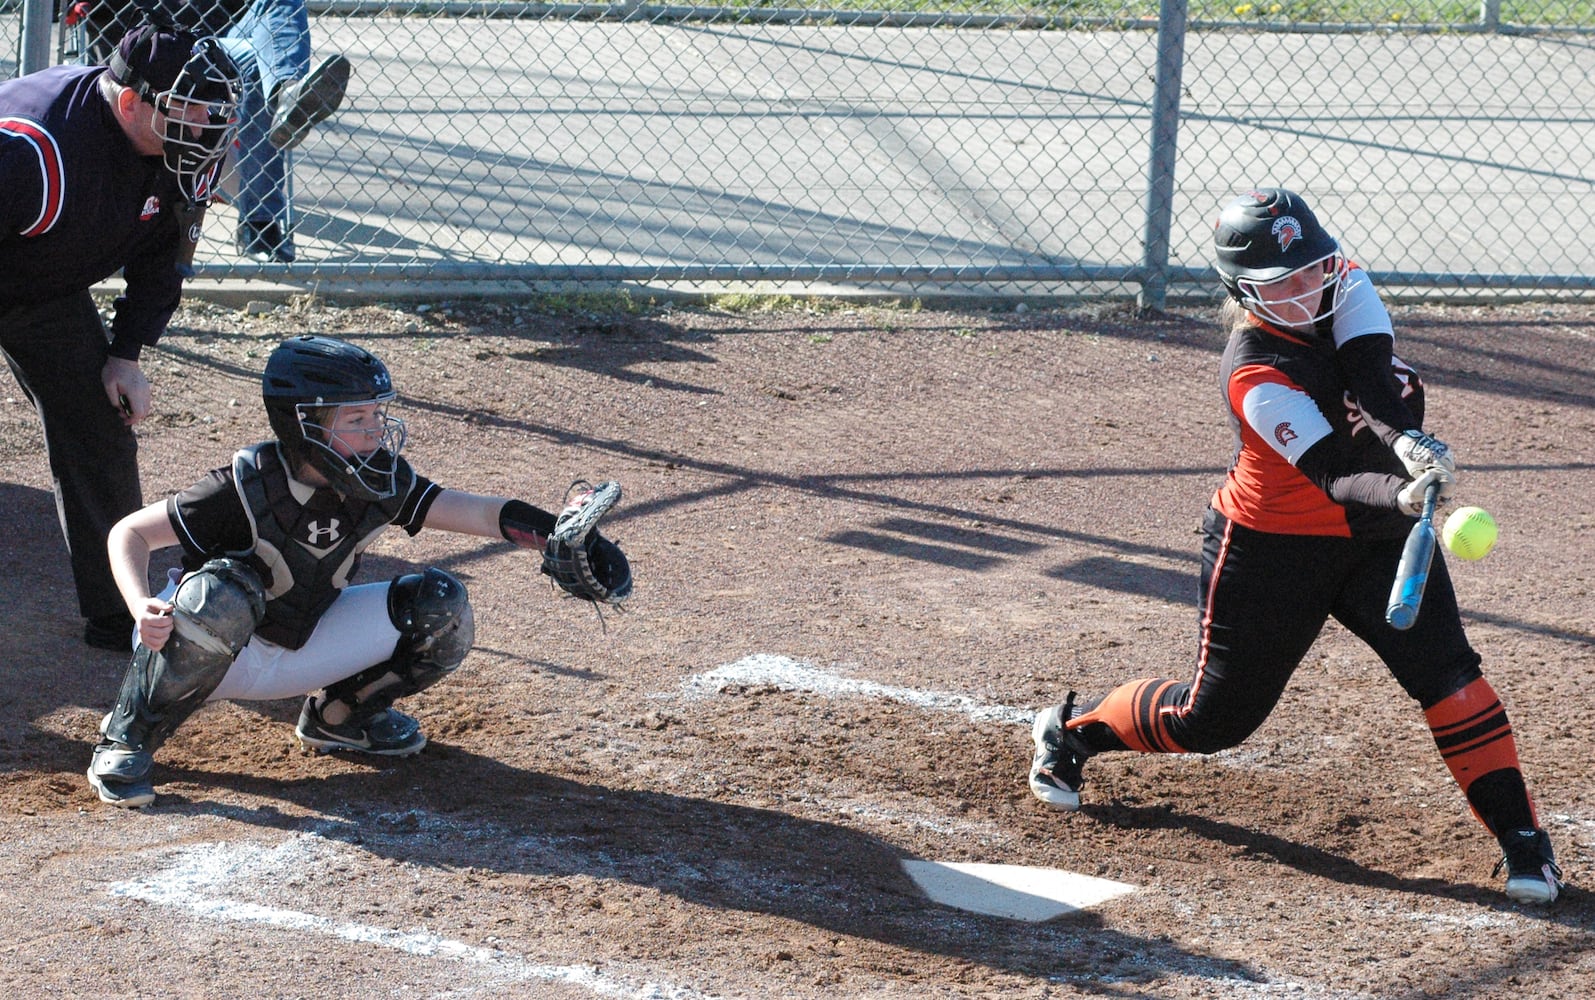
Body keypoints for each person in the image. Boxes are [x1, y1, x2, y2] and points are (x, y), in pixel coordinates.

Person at [1027, 188, 1565, 906]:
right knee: (1212, 721)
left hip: (1376, 542)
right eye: (1282, 284)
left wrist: (1406, 440)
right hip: (1272, 548)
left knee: (1449, 677)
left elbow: (1373, 373)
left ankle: (1523, 841)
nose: (1307, 289)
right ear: (1242, 292)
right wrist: (1404, 494)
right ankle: (1073, 732)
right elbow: (1334, 474)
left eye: (1312, 268)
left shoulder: (1343, 283)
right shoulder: (1253, 372)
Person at [85, 335, 631, 808]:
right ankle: (126, 738)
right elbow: (128, 534)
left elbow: (477, 511)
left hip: (305, 642)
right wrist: (140, 606)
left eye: (376, 414)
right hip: (204, 646)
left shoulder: (379, 479)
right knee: (220, 593)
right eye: (356, 418)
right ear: (305, 425)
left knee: (440, 604)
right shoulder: (244, 486)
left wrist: (552, 529)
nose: (375, 430)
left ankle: (340, 716)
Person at [0, 22, 239, 650]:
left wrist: (126, 353)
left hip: (39, 288)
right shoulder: (32, 150)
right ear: (130, 102)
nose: (208, 126)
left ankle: (121, 614)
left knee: (99, 426)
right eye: (190, 109)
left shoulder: (182, 152)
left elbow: (164, 259)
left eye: (215, 111)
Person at [219, 0, 351, 262]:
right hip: (167, 39)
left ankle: (286, 93)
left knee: (267, 56)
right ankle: (259, 223)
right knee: (262, 63)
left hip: (231, 34)